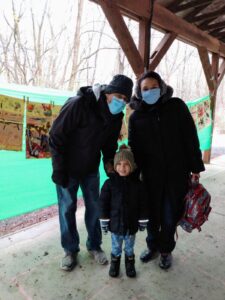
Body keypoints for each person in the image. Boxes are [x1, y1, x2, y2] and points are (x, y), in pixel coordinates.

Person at [49, 74, 133, 271]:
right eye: (119, 96)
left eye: (126, 99)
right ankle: (70, 250)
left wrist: (110, 164)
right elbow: (55, 136)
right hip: (67, 168)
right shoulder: (79, 104)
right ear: (107, 93)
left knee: (95, 206)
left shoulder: (116, 116)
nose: (122, 101)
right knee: (67, 208)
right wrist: (58, 169)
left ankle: (94, 245)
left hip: (90, 169)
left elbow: (109, 144)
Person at [128, 71, 205, 269]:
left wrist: (195, 166)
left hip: (176, 174)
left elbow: (190, 137)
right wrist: (133, 176)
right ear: (139, 92)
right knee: (152, 215)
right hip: (150, 177)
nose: (150, 91)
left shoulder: (176, 107)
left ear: (161, 88)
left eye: (154, 87)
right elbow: (134, 147)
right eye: (145, 89)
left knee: (170, 215)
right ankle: (152, 246)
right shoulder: (136, 117)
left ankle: (165, 250)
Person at [99, 145, 149, 278]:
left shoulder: (138, 185)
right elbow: (103, 203)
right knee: (115, 248)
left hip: (131, 226)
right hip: (115, 226)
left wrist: (143, 220)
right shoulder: (109, 184)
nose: (122, 167)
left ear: (132, 166)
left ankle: (130, 265)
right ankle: (114, 265)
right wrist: (104, 221)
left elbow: (143, 204)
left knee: (129, 248)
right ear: (115, 166)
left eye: (126, 164)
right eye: (119, 164)